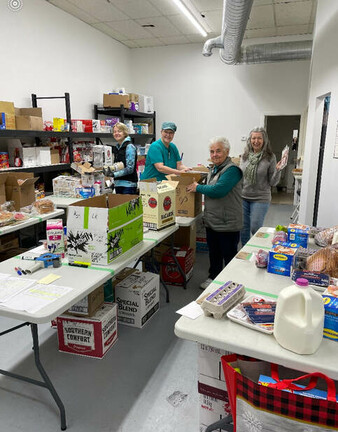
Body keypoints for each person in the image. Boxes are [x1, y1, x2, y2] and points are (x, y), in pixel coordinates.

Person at [187, 136, 243, 290]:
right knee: (214, 253)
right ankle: (214, 277)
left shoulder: (232, 170)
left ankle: (233, 283)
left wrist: (197, 187)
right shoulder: (214, 168)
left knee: (229, 254)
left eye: (218, 151)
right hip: (213, 221)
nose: (215, 154)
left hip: (227, 223)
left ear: (227, 151)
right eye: (212, 151)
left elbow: (219, 190)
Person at [240, 126, 283, 245]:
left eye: (259, 138)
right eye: (253, 138)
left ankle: (257, 251)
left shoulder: (270, 157)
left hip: (260, 198)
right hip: (243, 197)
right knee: (243, 229)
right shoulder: (244, 156)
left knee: (255, 228)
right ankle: (244, 252)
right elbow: (240, 177)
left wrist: (278, 170)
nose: (256, 141)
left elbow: (273, 182)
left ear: (264, 140)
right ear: (250, 140)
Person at [105, 122, 138, 194]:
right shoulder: (117, 147)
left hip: (128, 185)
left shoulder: (129, 147)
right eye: (114, 132)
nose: (116, 133)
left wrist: (114, 174)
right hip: (118, 184)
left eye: (119, 131)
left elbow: (130, 169)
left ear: (125, 132)